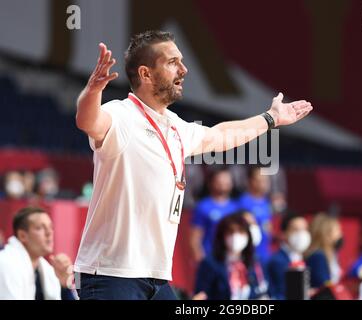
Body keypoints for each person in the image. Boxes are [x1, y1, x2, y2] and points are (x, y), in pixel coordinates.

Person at [74, 30, 312, 300]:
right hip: (111, 274)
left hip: (156, 277)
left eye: (182, 61)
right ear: (146, 74)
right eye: (173, 62)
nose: (184, 69)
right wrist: (93, 91)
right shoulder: (121, 115)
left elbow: (220, 135)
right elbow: (88, 121)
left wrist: (270, 119)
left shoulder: (175, 126)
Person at [0, 207, 75, 300]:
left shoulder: (47, 270)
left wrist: (63, 286)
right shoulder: (5, 263)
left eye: (51, 227)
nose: (49, 233)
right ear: (22, 235)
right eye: (40, 228)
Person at [194, 212, 269, 300]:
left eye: (240, 232)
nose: (235, 236)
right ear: (222, 236)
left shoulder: (255, 261)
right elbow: (201, 296)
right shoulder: (209, 264)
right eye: (230, 232)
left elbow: (266, 291)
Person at [190, 167, 239, 262]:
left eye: (227, 181)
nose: (223, 185)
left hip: (231, 260)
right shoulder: (203, 206)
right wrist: (201, 260)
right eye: (219, 182)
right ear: (211, 183)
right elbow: (194, 239)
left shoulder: (235, 207)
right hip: (210, 258)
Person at [267, 212, 310, 299]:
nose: (302, 234)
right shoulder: (277, 261)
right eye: (296, 230)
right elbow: (281, 294)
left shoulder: (306, 257)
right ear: (283, 234)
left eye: (304, 229)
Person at [238, 166, 273, 266]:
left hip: (265, 254)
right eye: (259, 180)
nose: (263, 184)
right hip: (249, 256)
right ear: (250, 181)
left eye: (265, 180)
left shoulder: (266, 202)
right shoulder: (243, 202)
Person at [305, 213, 344, 290]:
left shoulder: (331, 254)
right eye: (337, 230)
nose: (340, 234)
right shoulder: (318, 256)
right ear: (326, 233)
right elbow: (323, 285)